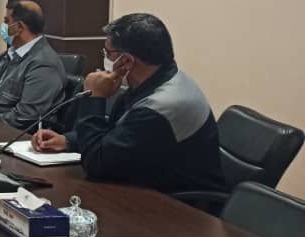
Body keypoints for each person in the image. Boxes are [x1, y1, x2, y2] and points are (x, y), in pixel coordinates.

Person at [31, 13, 224, 194]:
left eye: (108, 53)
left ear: (127, 61)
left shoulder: (161, 107)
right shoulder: (156, 80)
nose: (105, 58)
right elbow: (115, 136)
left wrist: (94, 98)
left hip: (180, 206)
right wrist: (68, 141)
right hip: (145, 184)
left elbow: (97, 164)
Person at [0, 1, 67, 130]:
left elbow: (25, 118)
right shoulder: (8, 55)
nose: (3, 27)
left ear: (19, 27)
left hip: (8, 134)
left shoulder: (44, 65)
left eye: (7, 21)